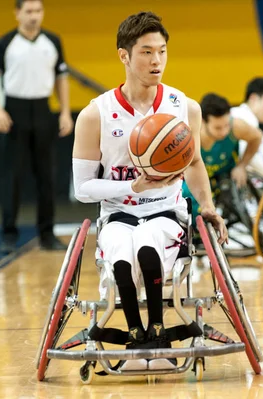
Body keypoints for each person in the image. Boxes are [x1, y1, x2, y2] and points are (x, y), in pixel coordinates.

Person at [72, 11, 228, 371]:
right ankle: (135, 332)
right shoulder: (95, 114)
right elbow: (82, 188)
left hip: (166, 210)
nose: (156, 60)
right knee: (123, 258)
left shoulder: (185, 107)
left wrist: (206, 205)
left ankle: (157, 331)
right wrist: (132, 185)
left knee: (147, 248)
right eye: (146, 52)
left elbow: (194, 164)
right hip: (119, 212)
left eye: (161, 51)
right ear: (124, 56)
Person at [0, 0, 73, 254]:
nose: (34, 16)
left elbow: (62, 78)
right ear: (17, 13)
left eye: (38, 11)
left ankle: (47, 234)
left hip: (43, 110)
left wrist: (65, 112)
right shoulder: (5, 43)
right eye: (29, 12)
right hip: (15, 111)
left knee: (47, 176)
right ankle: (9, 235)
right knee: (12, 176)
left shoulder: (52, 41)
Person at [183, 93, 262, 224]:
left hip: (225, 175)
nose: (224, 132)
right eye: (218, 128)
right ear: (202, 121)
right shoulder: (190, 135)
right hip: (199, 177)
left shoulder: (236, 126)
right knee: (187, 192)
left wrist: (242, 165)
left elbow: (257, 137)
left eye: (226, 125)